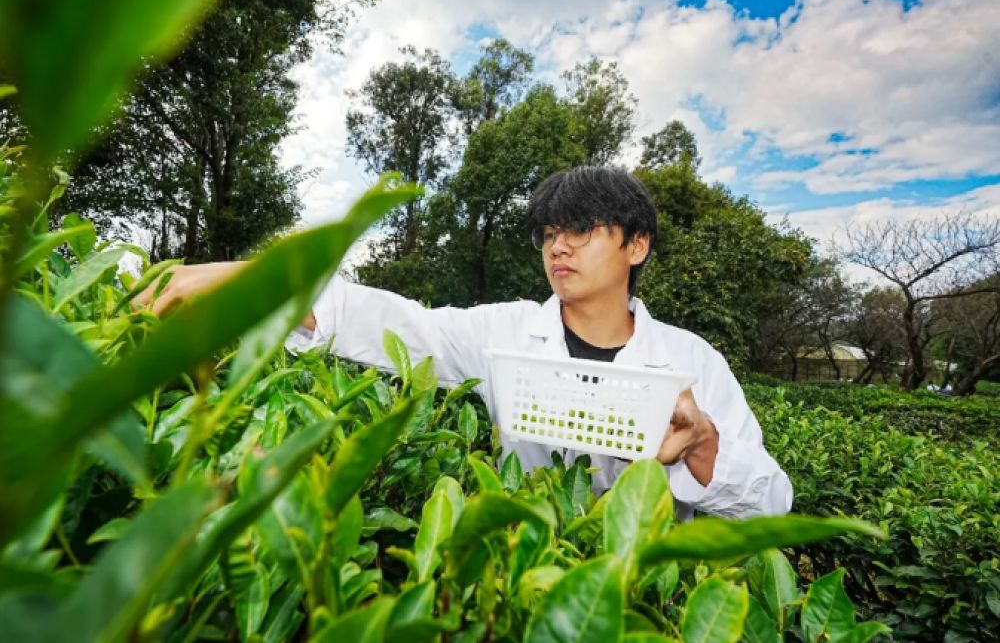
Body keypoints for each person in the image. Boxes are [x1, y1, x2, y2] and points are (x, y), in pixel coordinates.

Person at [135, 166, 792, 519]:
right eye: (548, 233)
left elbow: (771, 503)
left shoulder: (693, 361)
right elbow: (387, 319)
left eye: (581, 230)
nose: (558, 247)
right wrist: (253, 282)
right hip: (524, 585)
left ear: (637, 244)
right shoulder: (505, 332)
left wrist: (703, 445)